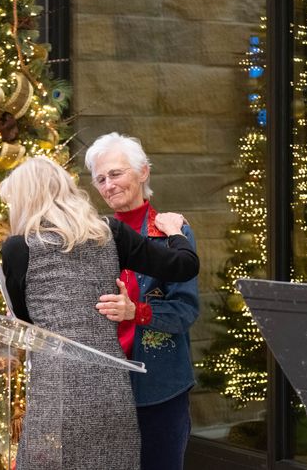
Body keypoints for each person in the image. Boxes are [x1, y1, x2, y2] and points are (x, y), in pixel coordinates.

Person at [0, 156, 200, 470]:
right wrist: (175, 232)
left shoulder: (17, 248)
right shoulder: (111, 233)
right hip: (111, 389)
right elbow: (185, 266)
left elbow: (26, 319)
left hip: (56, 390)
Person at [85, 132, 200, 470]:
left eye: (116, 174)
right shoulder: (91, 235)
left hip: (159, 386)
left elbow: (186, 310)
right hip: (103, 385)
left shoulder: (172, 234)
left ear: (143, 172)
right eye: (101, 179)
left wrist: (136, 312)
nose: (108, 185)